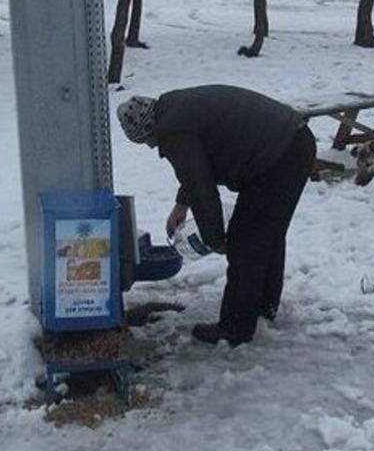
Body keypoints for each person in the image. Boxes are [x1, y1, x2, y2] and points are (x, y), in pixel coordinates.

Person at [117, 85, 316, 346]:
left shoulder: (173, 128)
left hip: (277, 158)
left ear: (146, 130)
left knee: (245, 243)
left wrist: (216, 239)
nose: (151, 146)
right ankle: (263, 306)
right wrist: (181, 205)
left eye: (146, 141)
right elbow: (198, 166)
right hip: (293, 142)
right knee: (266, 233)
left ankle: (235, 328)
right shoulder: (172, 107)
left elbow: (202, 188)